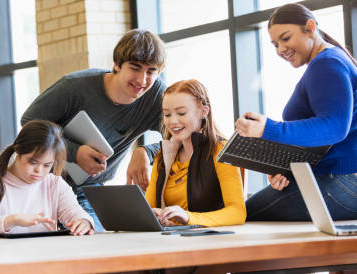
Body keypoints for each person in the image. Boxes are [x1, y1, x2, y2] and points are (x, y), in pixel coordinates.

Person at [21, 29, 167, 231]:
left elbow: (183, 136)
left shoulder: (156, 95)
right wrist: (73, 152)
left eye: (151, 71)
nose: (142, 80)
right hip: (42, 183)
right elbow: (29, 122)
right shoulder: (74, 87)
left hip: (89, 191)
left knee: (97, 240)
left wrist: (145, 152)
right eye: (135, 68)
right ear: (117, 64)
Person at [235, 3, 357, 221]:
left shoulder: (326, 63)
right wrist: (284, 168)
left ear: (310, 27)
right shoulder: (330, 61)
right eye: (275, 44)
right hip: (340, 181)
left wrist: (268, 128)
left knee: (240, 215)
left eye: (286, 38)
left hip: (341, 180)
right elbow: (319, 137)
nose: (281, 49)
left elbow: (335, 127)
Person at [0, 120, 94, 237]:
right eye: (33, 162)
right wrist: (11, 220)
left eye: (47, 165)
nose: (39, 170)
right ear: (18, 152)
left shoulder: (54, 184)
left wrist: (83, 221)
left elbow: (75, 212)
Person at [144, 79, 246, 227]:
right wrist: (154, 216)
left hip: (208, 241)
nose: (172, 121)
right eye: (167, 115)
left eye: (181, 113)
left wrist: (187, 218)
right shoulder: (163, 156)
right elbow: (148, 208)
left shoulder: (220, 150)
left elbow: (237, 212)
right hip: (170, 241)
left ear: (204, 112)